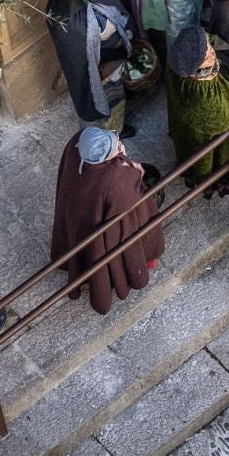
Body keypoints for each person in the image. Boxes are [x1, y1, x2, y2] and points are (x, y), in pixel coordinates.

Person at [49, 126, 163, 315]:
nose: (119, 145)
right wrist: (135, 171)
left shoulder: (77, 143)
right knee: (135, 232)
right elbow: (130, 197)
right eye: (115, 147)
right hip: (106, 224)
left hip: (78, 215)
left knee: (84, 246)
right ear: (102, 159)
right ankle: (137, 265)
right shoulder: (111, 180)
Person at [46, 0, 135, 136]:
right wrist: (121, 53)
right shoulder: (71, 26)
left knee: (115, 94)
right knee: (105, 102)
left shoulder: (65, 0)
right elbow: (88, 58)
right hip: (98, 70)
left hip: (110, 58)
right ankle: (113, 132)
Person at [163, 26, 229, 189]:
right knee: (212, 158)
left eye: (209, 49)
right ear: (195, 70)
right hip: (207, 140)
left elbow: (213, 41)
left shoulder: (178, 58)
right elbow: (227, 120)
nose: (212, 53)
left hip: (182, 123)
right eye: (207, 56)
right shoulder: (205, 96)